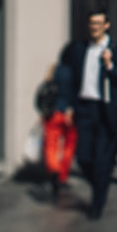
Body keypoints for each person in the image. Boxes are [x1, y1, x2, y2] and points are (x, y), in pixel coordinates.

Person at [61, 9, 117, 220]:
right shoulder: (80, 49)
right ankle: (100, 182)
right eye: (92, 23)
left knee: (101, 159)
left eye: (98, 23)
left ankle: (97, 203)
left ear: (106, 25)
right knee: (83, 158)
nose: (94, 27)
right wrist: (68, 106)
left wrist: (110, 66)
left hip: (105, 110)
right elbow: (72, 79)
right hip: (84, 108)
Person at [42, 63, 78, 197]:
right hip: (70, 114)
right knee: (69, 146)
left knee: (51, 145)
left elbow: (46, 89)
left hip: (53, 113)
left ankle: (54, 170)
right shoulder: (76, 70)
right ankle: (63, 176)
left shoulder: (53, 70)